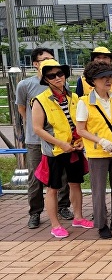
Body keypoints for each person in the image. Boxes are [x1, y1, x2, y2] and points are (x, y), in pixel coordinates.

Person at [31, 59, 93, 238]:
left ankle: (78, 217)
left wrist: (80, 140)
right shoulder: (40, 100)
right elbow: (37, 129)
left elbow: (80, 123)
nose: (58, 78)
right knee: (53, 188)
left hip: (74, 149)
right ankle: (55, 224)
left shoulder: (73, 97)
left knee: (76, 184)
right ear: (45, 79)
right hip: (54, 152)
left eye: (60, 74)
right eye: (52, 75)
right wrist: (60, 144)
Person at [16, 48, 73, 229]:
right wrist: (34, 127)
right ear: (35, 64)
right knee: (36, 177)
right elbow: (22, 109)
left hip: (60, 138)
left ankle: (63, 207)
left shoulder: (62, 83)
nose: (49, 62)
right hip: (35, 140)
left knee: (62, 176)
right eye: (44, 59)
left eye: (51, 59)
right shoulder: (25, 85)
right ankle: (35, 212)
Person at [75, 62, 112, 239]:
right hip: (97, 151)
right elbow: (81, 130)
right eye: (103, 77)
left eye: (110, 76)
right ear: (93, 80)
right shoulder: (84, 102)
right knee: (99, 189)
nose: (109, 80)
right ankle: (101, 224)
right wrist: (100, 140)